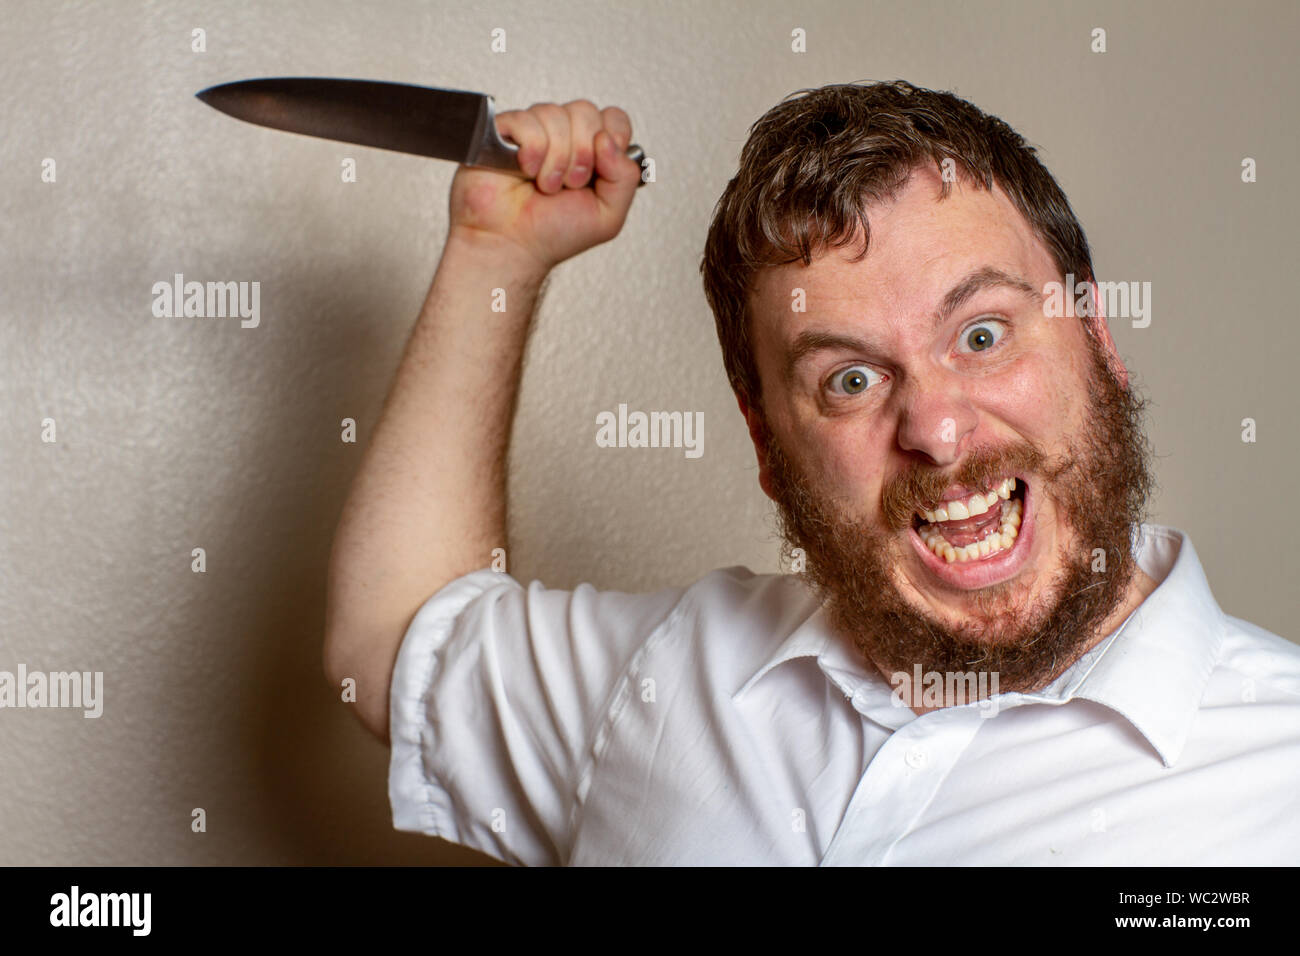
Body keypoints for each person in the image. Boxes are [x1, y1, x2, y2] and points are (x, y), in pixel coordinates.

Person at [323, 81, 1300, 865]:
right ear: (765, 444)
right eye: (850, 377)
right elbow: (390, 640)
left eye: (983, 332)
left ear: (1097, 343)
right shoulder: (674, 675)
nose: (939, 429)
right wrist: (496, 257)